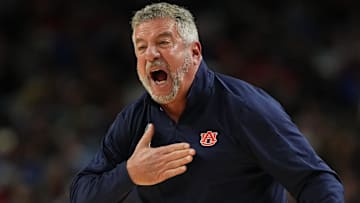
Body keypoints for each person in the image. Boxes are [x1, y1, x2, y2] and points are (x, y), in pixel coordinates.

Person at [69, 2, 344, 203]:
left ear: (195, 52)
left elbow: (315, 180)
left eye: (163, 42)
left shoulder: (243, 107)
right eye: (141, 47)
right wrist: (129, 172)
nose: (150, 53)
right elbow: (81, 194)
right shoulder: (135, 120)